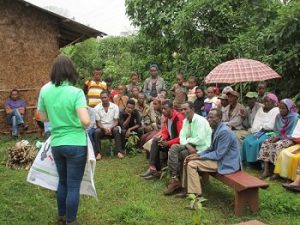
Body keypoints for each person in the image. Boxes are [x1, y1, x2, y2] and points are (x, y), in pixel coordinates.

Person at [38, 55, 90, 225]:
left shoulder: (45, 91)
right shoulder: (76, 92)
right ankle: (71, 221)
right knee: (73, 185)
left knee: (62, 182)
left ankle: (61, 216)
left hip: (57, 143)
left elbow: (43, 118)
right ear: (71, 71)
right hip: (75, 144)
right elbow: (85, 121)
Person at [177, 108, 241, 199]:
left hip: (226, 162)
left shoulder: (224, 132)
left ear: (219, 118)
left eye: (212, 117)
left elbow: (218, 154)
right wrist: (198, 154)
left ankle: (196, 195)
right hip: (219, 159)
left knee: (192, 164)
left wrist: (198, 158)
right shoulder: (215, 129)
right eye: (208, 117)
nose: (209, 120)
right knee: (188, 159)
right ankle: (186, 189)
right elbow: (211, 148)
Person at [164, 102, 212, 195]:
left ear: (192, 109)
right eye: (182, 109)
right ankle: (175, 179)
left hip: (201, 148)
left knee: (183, 154)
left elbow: (200, 139)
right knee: (174, 148)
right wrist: (187, 144)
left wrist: (187, 141)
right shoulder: (186, 121)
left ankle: (184, 187)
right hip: (191, 145)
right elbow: (182, 136)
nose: (183, 111)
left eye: (185, 109)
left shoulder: (200, 120)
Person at [140, 100, 184, 180]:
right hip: (170, 141)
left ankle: (159, 172)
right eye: (162, 109)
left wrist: (168, 143)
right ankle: (153, 168)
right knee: (156, 141)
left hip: (179, 144)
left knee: (158, 142)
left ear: (171, 108)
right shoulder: (167, 118)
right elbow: (165, 132)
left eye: (165, 109)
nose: (163, 111)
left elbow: (181, 137)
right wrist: (162, 138)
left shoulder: (178, 118)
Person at [258, 99, 299, 179]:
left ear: (289, 109)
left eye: (283, 108)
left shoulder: (295, 118)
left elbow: (293, 134)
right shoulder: (278, 116)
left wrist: (279, 137)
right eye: (280, 108)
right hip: (279, 136)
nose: (281, 110)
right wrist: (274, 136)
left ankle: (276, 172)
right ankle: (266, 170)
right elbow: (276, 131)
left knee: (278, 145)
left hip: (291, 139)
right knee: (266, 142)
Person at [242, 93, 279, 163]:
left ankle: (256, 162)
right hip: (259, 131)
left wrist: (263, 127)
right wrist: (259, 129)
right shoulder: (260, 110)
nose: (265, 103)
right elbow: (256, 122)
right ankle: (247, 160)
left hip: (270, 132)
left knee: (257, 142)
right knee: (247, 140)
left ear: (273, 102)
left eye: (268, 101)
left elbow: (271, 125)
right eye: (264, 101)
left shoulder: (276, 110)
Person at [94, 91, 123, 160]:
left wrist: (111, 128)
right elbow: (98, 123)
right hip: (102, 128)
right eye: (102, 98)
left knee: (116, 129)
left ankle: (119, 152)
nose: (104, 99)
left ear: (109, 97)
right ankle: (98, 153)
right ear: (100, 98)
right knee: (96, 131)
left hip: (112, 127)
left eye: (105, 97)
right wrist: (104, 129)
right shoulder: (96, 108)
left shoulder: (115, 107)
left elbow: (116, 121)